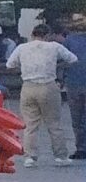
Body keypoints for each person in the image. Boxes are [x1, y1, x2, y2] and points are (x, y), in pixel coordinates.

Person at [7, 22, 77, 166]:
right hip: (48, 86)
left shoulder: (22, 48)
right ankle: (60, 156)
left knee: (30, 124)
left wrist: (24, 69)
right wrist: (58, 66)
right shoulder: (54, 47)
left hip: (28, 86)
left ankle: (30, 157)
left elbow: (10, 65)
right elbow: (73, 59)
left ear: (32, 35)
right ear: (48, 35)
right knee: (54, 124)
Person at [63, 13, 86, 154]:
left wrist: (61, 79)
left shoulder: (69, 41)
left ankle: (80, 147)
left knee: (76, 118)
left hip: (73, 82)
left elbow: (65, 61)